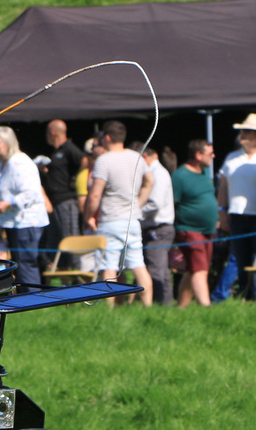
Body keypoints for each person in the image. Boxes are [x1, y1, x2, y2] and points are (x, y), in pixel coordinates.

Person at [82, 120, 154, 307]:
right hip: (132, 220)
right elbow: (149, 182)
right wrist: (138, 203)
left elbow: (95, 194)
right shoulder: (136, 157)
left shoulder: (103, 160)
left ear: (106, 138)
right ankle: (148, 307)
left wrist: (89, 216)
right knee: (139, 266)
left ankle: (109, 311)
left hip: (110, 221)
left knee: (109, 268)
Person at [214, 114, 256, 302]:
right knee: (239, 258)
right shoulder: (232, 158)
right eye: (242, 131)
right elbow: (223, 187)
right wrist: (222, 211)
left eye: (248, 132)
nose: (243, 134)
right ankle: (245, 295)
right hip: (237, 215)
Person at [0, 127, 48, 287]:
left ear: (8, 142)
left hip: (26, 223)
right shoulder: (3, 163)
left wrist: (8, 203)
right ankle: (25, 300)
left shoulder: (19, 162)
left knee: (26, 263)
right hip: (14, 222)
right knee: (20, 263)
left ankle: (32, 302)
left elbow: (32, 192)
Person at [171, 139, 216, 309]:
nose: (213, 156)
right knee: (200, 270)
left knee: (193, 270)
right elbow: (172, 205)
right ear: (198, 155)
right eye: (210, 153)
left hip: (208, 231)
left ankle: (181, 308)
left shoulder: (204, 174)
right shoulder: (180, 177)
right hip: (189, 230)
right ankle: (206, 307)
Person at [38, 119, 86, 272]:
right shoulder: (56, 152)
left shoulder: (69, 148)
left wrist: (74, 179)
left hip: (67, 201)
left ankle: (78, 275)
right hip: (55, 202)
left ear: (53, 133)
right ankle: (65, 277)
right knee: (57, 240)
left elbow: (84, 160)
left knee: (70, 237)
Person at [139, 146, 176, 306]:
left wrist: (135, 212)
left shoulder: (158, 173)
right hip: (157, 227)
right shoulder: (156, 172)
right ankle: (165, 306)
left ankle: (157, 304)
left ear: (145, 157)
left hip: (159, 228)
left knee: (155, 270)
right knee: (162, 270)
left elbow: (155, 203)